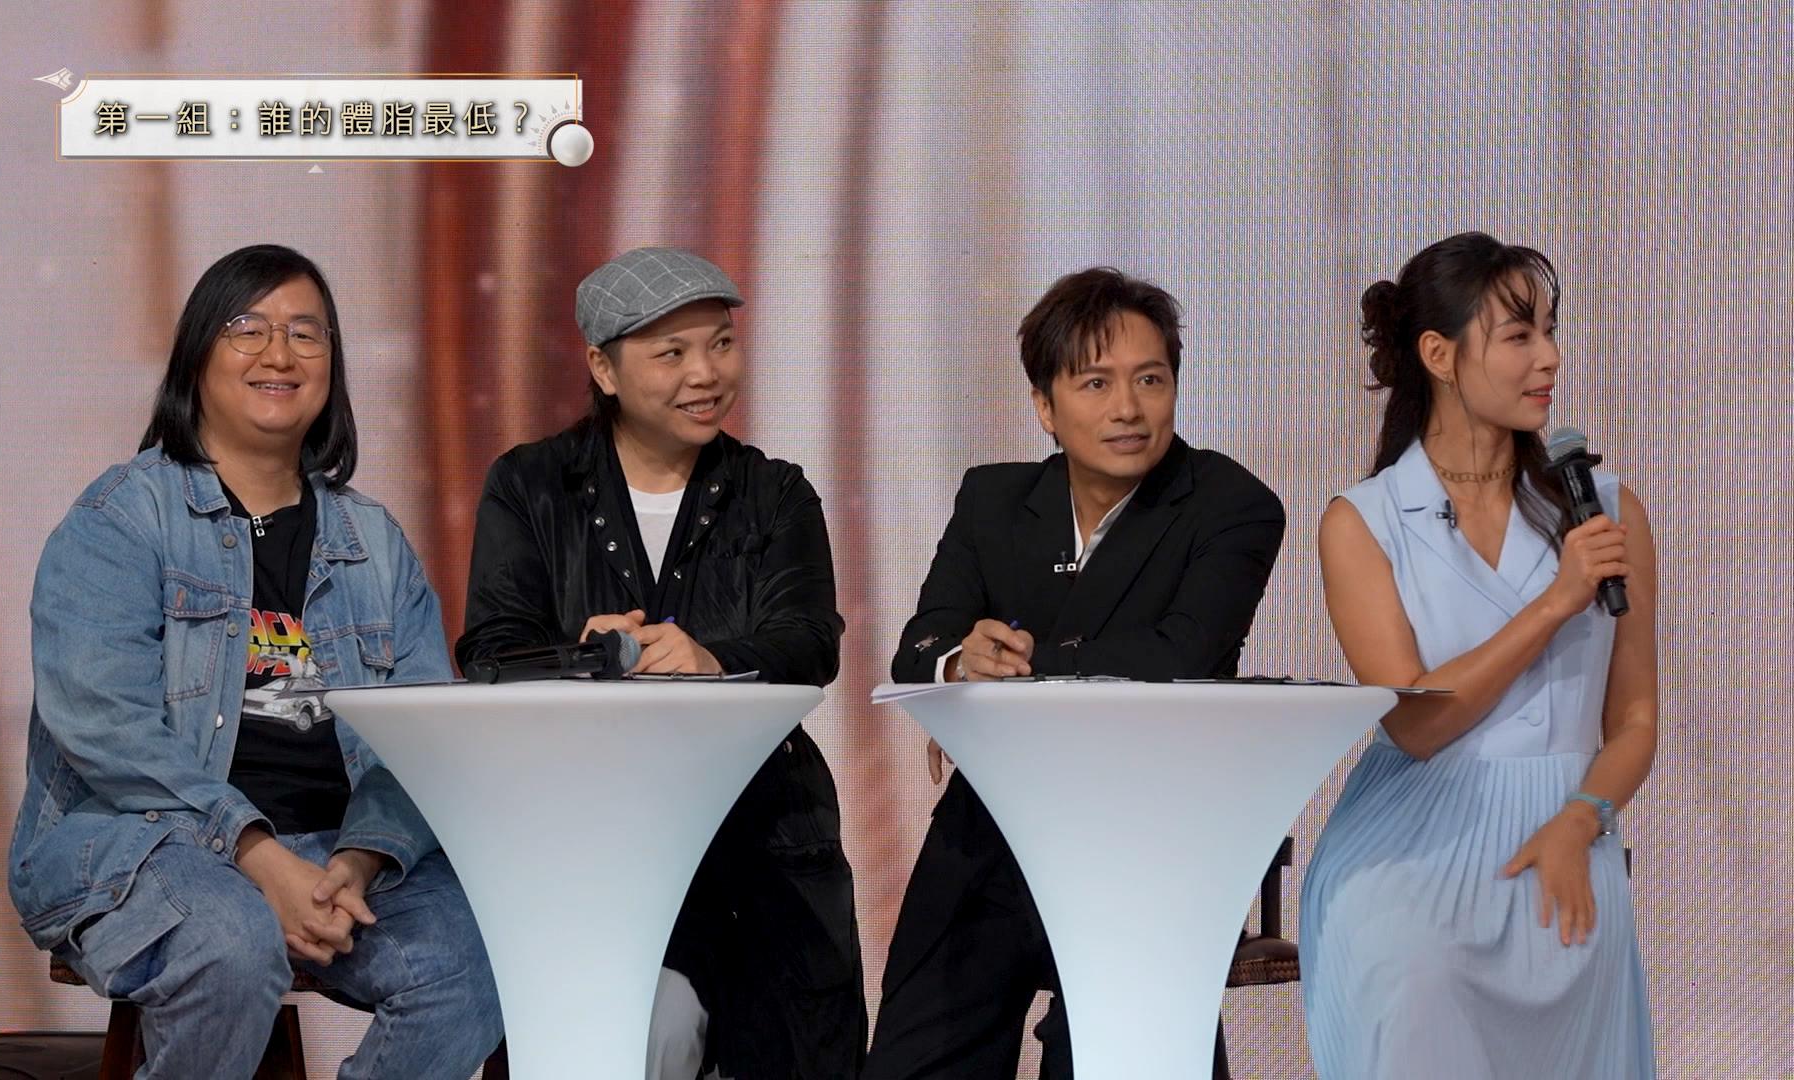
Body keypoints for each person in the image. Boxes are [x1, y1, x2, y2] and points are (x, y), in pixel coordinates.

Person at [6, 245, 504, 1079]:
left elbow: (421, 737)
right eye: (248, 328)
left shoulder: (374, 543)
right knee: (233, 944)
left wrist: (358, 860)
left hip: (333, 850)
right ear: (197, 356)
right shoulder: (121, 518)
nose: (280, 353)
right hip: (140, 842)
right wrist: (257, 855)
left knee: (478, 955)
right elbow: (103, 725)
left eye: (306, 333)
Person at [864, 267, 1287, 1078]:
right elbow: (920, 646)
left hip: (1143, 848)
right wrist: (958, 662)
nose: (1128, 408)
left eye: (1150, 380)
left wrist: (1007, 677)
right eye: (1096, 383)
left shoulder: (1230, 504)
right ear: (1045, 405)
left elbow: (1178, 656)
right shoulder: (992, 499)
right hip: (988, 839)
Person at [455, 246, 865, 1079]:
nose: (705, 374)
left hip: (758, 829)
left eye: (721, 344)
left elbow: (809, 640)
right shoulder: (530, 485)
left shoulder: (775, 492)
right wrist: (586, 660)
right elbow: (490, 651)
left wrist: (712, 658)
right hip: (592, 834)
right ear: (603, 369)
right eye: (671, 353)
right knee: (624, 1039)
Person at [1300, 231, 1658, 1077]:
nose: (1550, 358)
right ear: (1439, 355)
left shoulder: (1608, 509)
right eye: (1519, 336)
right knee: (1416, 976)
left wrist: (1581, 819)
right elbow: (1418, 724)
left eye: (1549, 332)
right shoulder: (1362, 522)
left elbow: (1636, 718)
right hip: (1414, 849)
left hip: (1570, 830)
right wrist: (1558, 600)